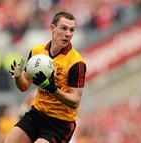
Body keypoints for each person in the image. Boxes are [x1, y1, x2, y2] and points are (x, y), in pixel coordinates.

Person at [6, 11, 86, 143]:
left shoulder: (76, 62)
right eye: (64, 28)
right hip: (37, 114)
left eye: (72, 30)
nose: (68, 33)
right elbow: (24, 86)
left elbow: (75, 100)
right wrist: (18, 76)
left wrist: (53, 89)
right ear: (52, 28)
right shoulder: (37, 52)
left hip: (60, 123)